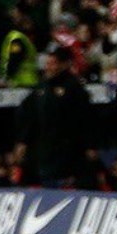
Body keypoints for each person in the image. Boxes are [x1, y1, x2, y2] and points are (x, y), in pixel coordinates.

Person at [15, 45, 92, 189]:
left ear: (64, 64)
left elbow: (85, 120)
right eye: (47, 64)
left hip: (68, 151)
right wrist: (22, 141)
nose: (48, 67)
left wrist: (89, 145)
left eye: (53, 64)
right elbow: (29, 115)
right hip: (44, 150)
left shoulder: (74, 88)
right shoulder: (42, 87)